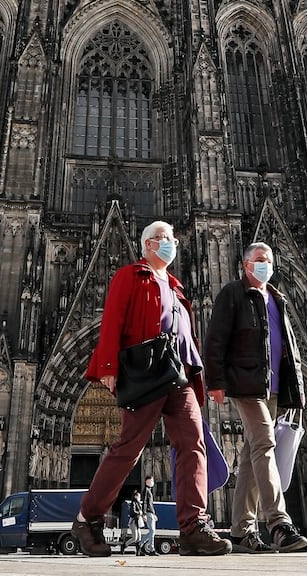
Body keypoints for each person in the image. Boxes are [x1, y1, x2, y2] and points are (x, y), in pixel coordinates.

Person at [72, 221, 231, 557]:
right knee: (129, 448)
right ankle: (88, 517)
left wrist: (201, 373)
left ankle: (193, 526)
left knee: (193, 443)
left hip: (178, 373)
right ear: (146, 245)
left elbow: (186, 335)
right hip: (145, 370)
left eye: (172, 239)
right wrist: (108, 367)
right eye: (162, 238)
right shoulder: (130, 275)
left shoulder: (177, 286)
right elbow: (113, 318)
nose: (169, 243)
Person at [203, 241, 307, 554]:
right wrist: (217, 381)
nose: (266, 265)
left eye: (269, 260)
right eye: (260, 260)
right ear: (245, 265)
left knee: (250, 454)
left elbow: (287, 345)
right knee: (265, 442)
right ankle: (279, 522)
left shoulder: (277, 298)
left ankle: (240, 531)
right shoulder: (233, 294)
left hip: (273, 385)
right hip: (246, 382)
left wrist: (297, 386)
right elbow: (216, 339)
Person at [121, 490, 144, 555]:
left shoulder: (138, 503)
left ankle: (138, 552)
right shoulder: (133, 503)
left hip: (138, 521)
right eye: (139, 496)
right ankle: (124, 545)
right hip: (134, 521)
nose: (140, 497)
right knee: (135, 537)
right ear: (135, 496)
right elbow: (132, 512)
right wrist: (139, 513)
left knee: (139, 537)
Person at [140, 475, 158, 556]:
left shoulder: (149, 490)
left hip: (150, 512)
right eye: (152, 480)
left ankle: (139, 545)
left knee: (152, 531)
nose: (153, 482)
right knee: (152, 531)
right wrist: (144, 514)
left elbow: (150, 504)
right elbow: (145, 503)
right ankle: (151, 549)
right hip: (148, 512)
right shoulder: (146, 490)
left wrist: (154, 513)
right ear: (148, 481)